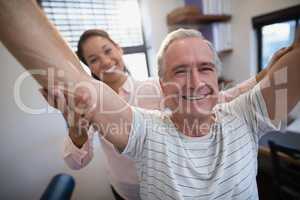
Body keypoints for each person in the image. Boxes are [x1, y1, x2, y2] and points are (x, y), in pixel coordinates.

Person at [1, 1, 300, 199]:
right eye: (94, 59)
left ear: (118, 48)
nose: (105, 62)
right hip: (127, 189)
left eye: (107, 51)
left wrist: (262, 78)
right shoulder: (142, 125)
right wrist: (77, 128)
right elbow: (75, 158)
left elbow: (219, 97)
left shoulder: (159, 90)